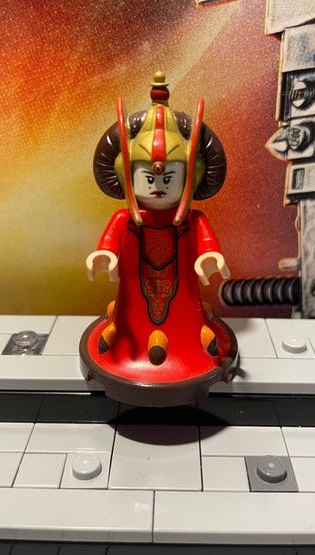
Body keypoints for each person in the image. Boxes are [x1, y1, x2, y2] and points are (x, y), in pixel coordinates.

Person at [79, 72, 238, 406]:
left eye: (169, 178)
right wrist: (105, 254)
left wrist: (209, 256)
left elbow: (206, 244)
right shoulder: (125, 219)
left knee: (187, 321)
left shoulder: (193, 220)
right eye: (148, 178)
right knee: (130, 318)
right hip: (132, 304)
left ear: (191, 177)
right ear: (126, 176)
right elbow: (109, 241)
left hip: (185, 302)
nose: (158, 186)